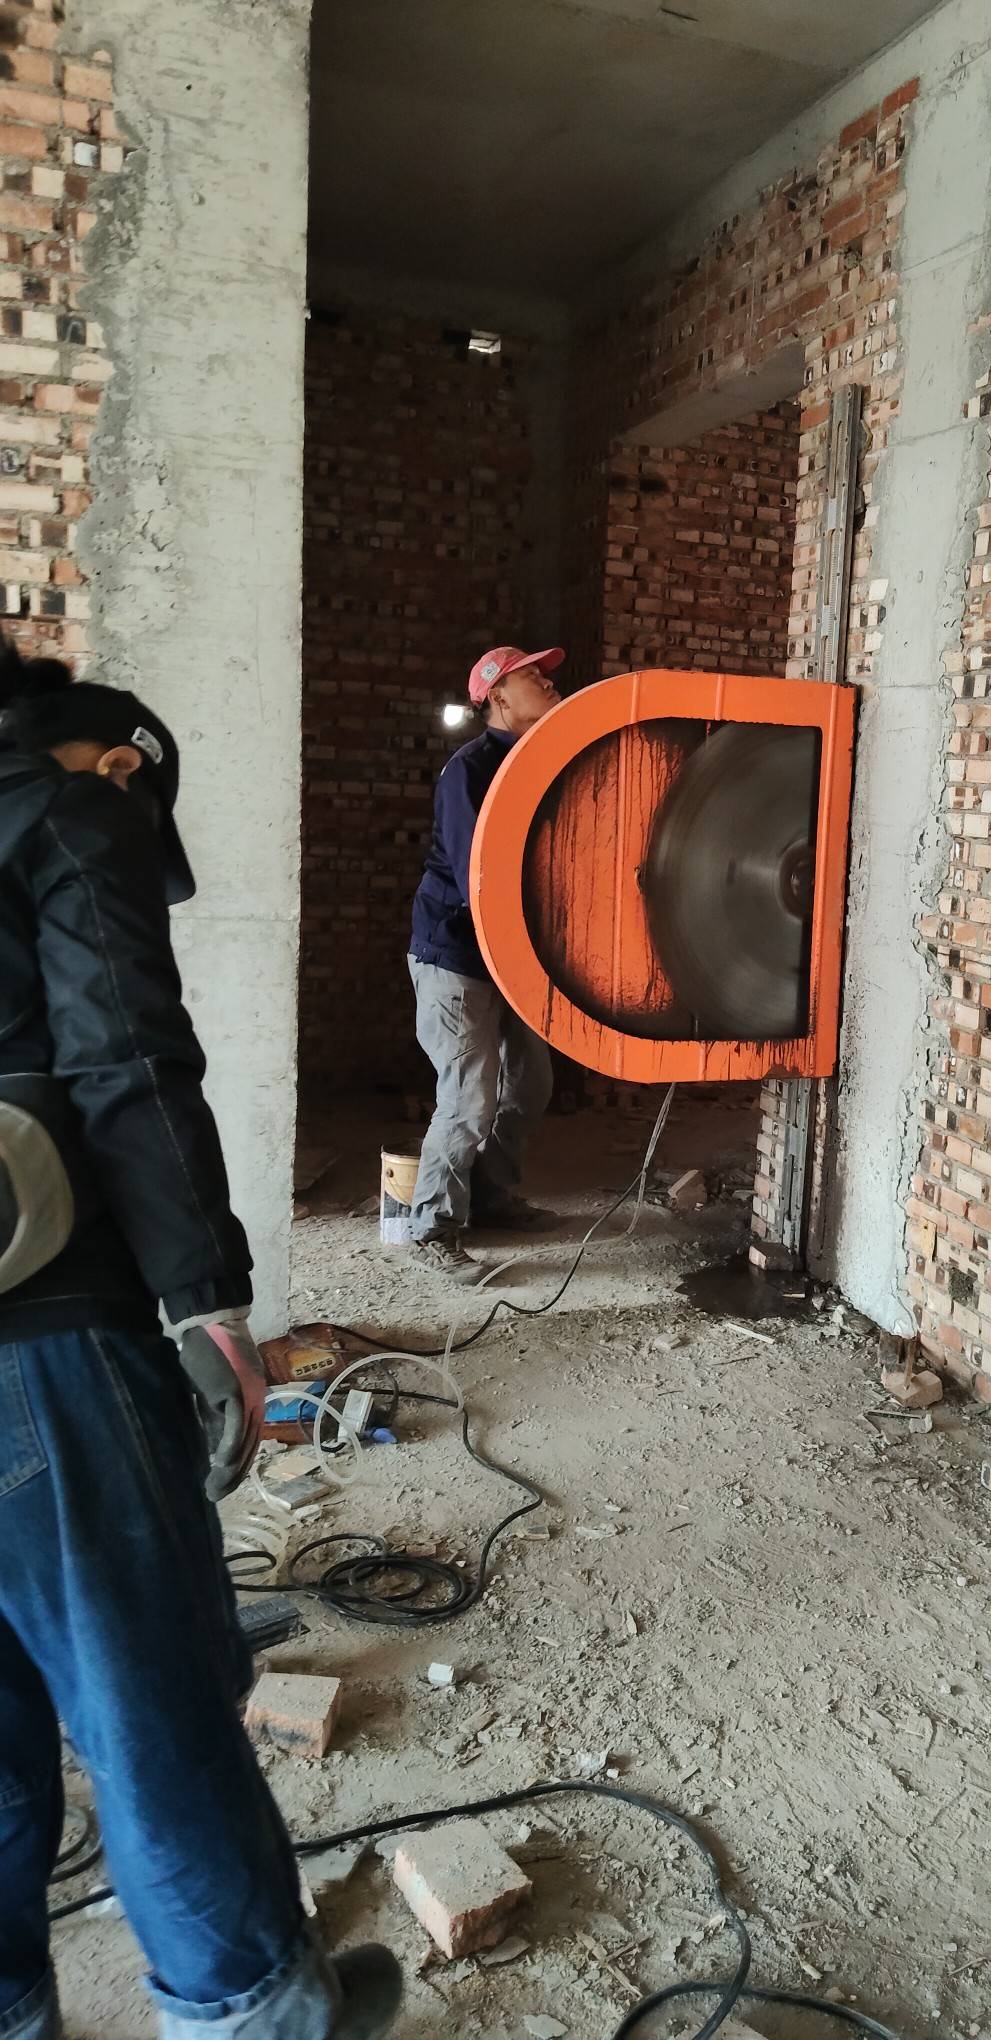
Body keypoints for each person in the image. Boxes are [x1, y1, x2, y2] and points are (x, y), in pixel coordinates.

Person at [0, 640, 401, 2040]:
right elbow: (128, 1065)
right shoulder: (65, 812)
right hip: (41, 1344)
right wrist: (208, 1307)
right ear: (119, 762)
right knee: (147, 1705)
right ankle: (255, 2017)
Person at [406, 644, 564, 1282]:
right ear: (498, 697)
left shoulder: (543, 759)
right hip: (457, 952)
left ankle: (493, 1196)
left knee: (529, 1084)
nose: (548, 684)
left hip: (516, 951)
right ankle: (433, 1226)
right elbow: (482, 876)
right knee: (469, 1094)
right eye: (532, 678)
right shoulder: (468, 771)